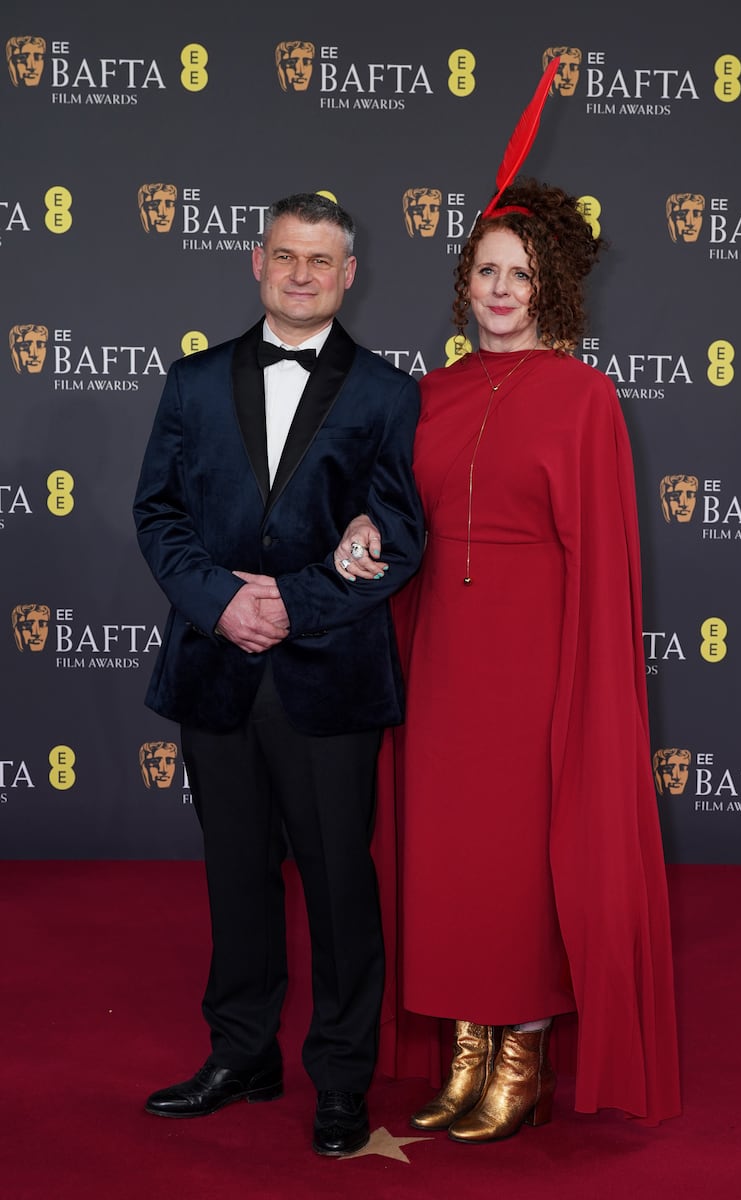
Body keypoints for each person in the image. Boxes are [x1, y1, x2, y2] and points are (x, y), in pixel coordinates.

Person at [334, 176, 681, 1141]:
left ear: (550, 287)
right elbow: (402, 520)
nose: (499, 289)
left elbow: (604, 558)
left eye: (519, 275)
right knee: (451, 854)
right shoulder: (428, 396)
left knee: (525, 860)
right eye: (485, 270)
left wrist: (586, 679)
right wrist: (364, 525)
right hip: (443, 654)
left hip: (537, 662)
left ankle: (521, 1056)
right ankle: (464, 1049)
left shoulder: (583, 398)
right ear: (464, 283)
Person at [133, 192, 424, 1155]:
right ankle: (242, 1052)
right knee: (235, 875)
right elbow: (158, 515)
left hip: (328, 676)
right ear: (256, 263)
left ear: (349, 275)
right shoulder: (192, 380)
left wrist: (293, 603)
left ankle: (341, 1080)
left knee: (342, 884)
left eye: (322, 260)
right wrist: (222, 600)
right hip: (215, 666)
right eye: (286, 256)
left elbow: (398, 536)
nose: (302, 274)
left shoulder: (387, 392)